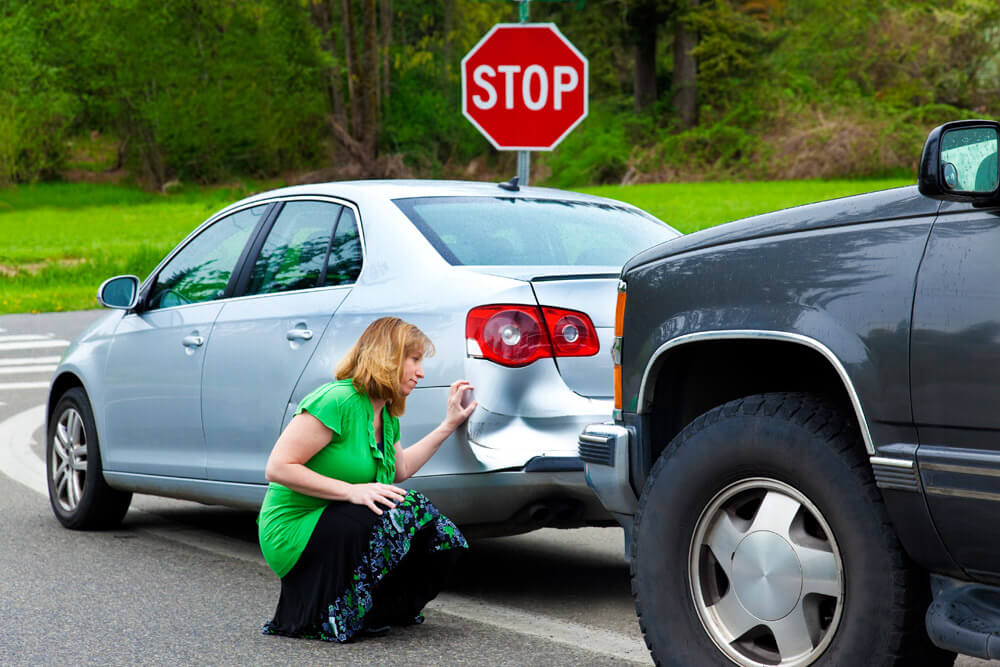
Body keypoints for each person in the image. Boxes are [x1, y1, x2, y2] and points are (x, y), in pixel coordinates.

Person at [258, 316, 475, 642]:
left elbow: (400, 469)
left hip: (338, 521)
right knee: (402, 508)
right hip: (294, 527)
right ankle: (333, 615)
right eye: (413, 360)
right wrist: (350, 492)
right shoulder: (337, 399)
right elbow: (278, 467)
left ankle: (382, 608)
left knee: (435, 529)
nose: (421, 372)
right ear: (386, 357)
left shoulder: (386, 412)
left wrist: (448, 425)